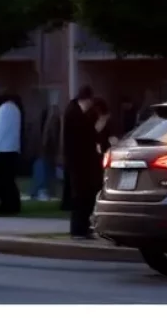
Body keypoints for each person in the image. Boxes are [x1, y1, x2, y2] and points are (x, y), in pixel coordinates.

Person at [64, 85, 99, 238]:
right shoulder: (74, 114)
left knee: (85, 196)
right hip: (78, 163)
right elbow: (81, 138)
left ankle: (82, 227)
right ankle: (78, 228)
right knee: (80, 196)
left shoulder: (77, 112)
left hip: (82, 163)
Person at [0, 90, 23, 215]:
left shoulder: (4, 109)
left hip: (3, 150)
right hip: (13, 148)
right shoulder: (16, 109)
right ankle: (13, 203)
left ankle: (6, 204)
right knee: (10, 179)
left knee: (2, 179)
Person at [34, 103, 62, 201]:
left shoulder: (49, 123)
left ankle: (44, 190)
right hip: (48, 151)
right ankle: (45, 191)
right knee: (47, 170)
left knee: (46, 170)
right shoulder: (53, 122)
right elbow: (53, 138)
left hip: (47, 151)